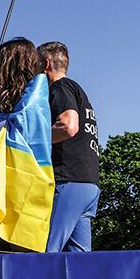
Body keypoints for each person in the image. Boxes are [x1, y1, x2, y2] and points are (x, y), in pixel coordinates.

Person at [0, 37, 51, 252]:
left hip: (29, 188)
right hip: (8, 185)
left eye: (0, 63)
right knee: (6, 253)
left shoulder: (33, 101)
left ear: (13, 65)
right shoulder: (11, 102)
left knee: (22, 254)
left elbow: (11, 144)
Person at [38, 41, 100, 252]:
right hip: (89, 185)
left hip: (68, 182)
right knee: (78, 260)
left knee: (47, 250)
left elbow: (68, 126)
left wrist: (31, 139)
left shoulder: (60, 87)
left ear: (45, 64)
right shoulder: (79, 91)